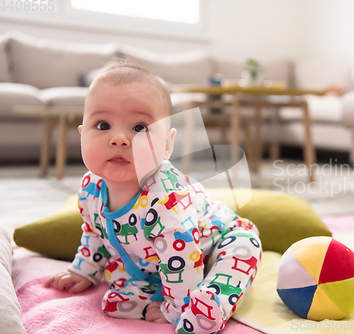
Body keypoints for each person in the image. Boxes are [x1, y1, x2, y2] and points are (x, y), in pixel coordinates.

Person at [44, 60, 262, 334]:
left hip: (215, 243)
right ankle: (157, 303)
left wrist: (177, 308)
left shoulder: (165, 200)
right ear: (81, 135)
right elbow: (94, 231)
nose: (120, 139)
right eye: (102, 125)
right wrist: (83, 269)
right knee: (112, 301)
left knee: (242, 253)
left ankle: (210, 304)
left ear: (167, 145)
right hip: (154, 267)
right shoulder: (90, 188)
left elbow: (182, 259)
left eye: (139, 127)